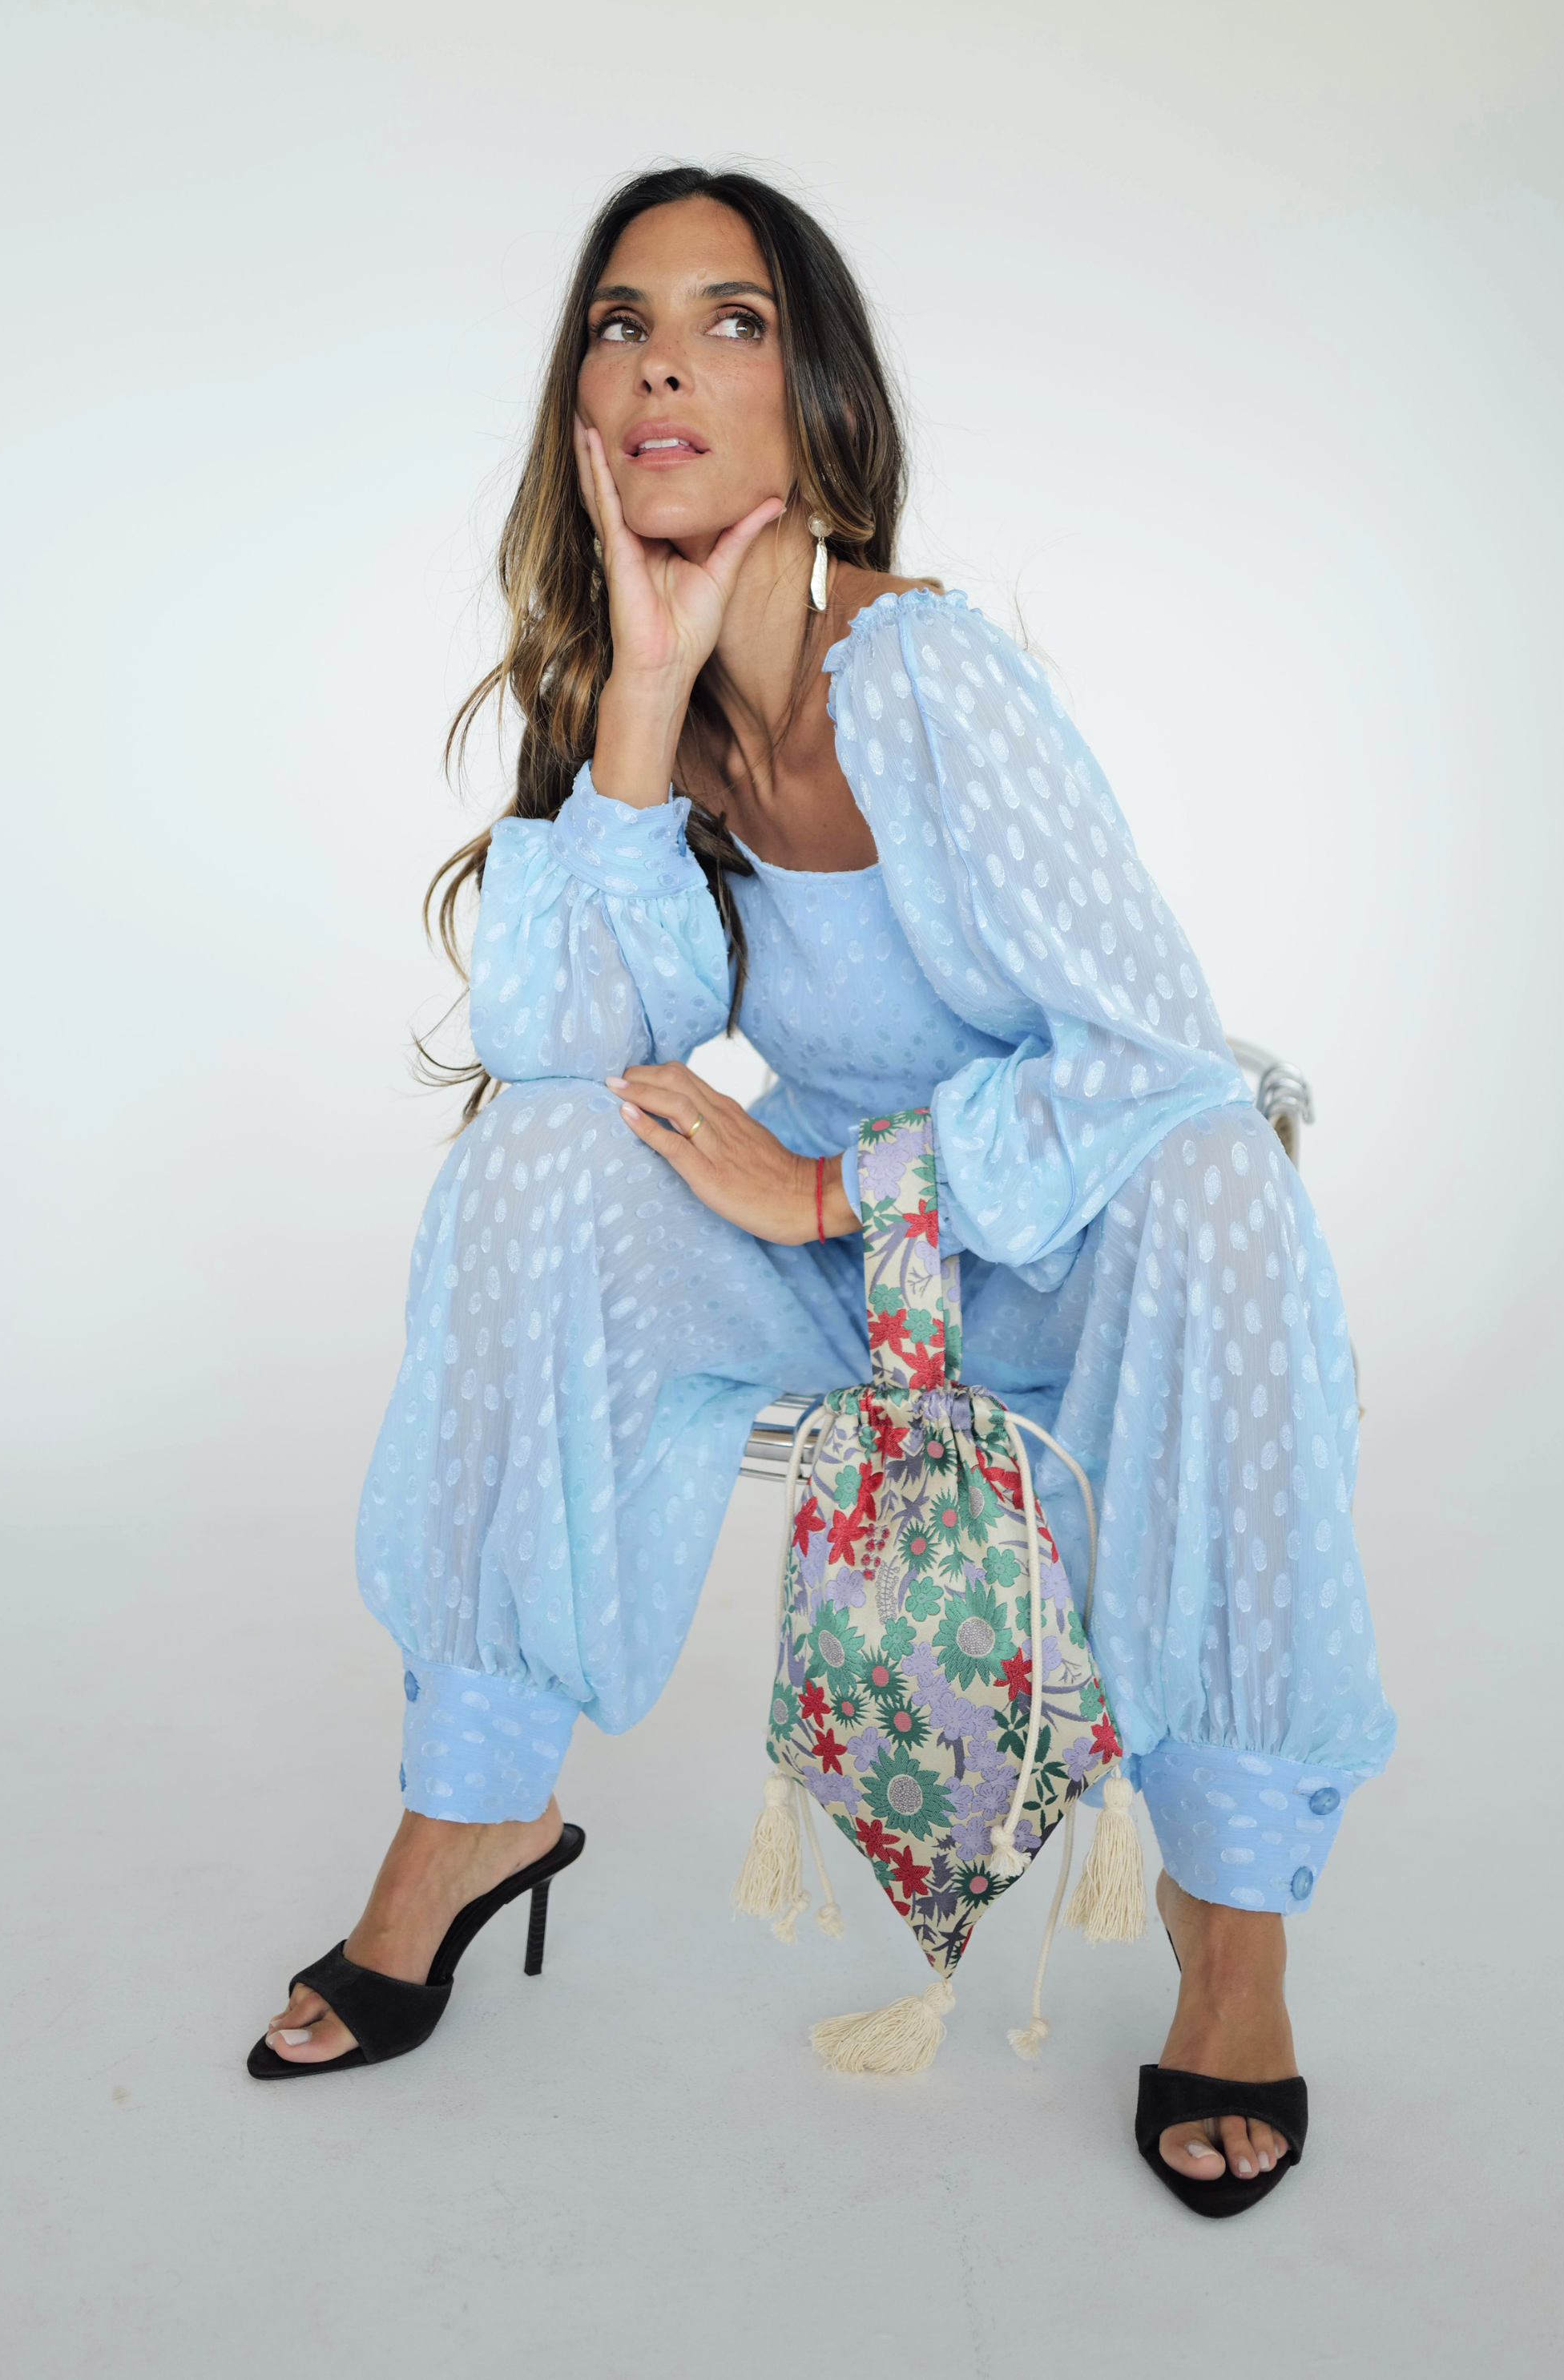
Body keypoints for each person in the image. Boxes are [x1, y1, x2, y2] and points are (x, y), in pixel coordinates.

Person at [248, 166, 1396, 2217]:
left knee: (1222, 1188)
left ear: (816, 401)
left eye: (733, 320)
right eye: (621, 322)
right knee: (536, 1159)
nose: (663, 361)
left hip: (1048, 1244)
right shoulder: (658, 703)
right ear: (582, 403)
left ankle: (1232, 1930)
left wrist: (842, 1190)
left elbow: (1151, 1056)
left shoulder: (932, 677)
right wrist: (641, 696)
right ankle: (473, 1814)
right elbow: (561, 1046)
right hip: (839, 1261)